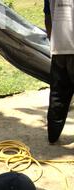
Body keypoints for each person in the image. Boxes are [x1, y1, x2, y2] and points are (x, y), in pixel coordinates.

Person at [45, 0, 74, 143]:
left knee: (58, 94)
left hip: (59, 48)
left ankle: (53, 135)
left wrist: (54, 42)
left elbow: (48, 16)